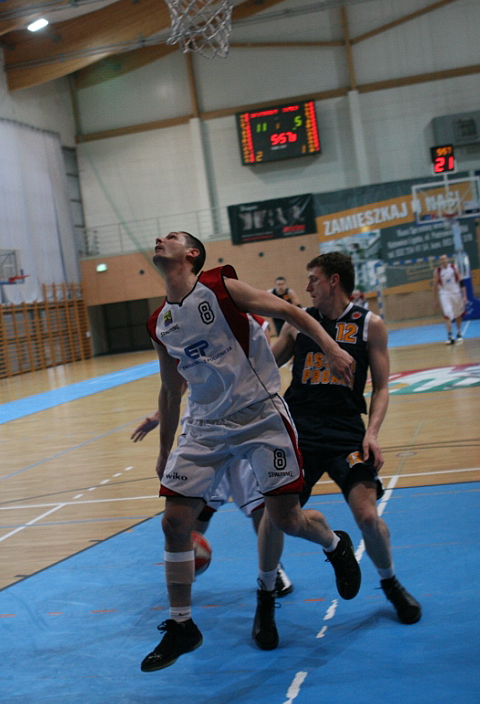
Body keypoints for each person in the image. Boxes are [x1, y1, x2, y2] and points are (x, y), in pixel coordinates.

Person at [140, 231, 361, 672]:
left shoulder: (220, 286)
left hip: (259, 415)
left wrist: (332, 347)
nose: (161, 239)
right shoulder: (160, 322)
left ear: (192, 254)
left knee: (286, 519)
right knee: (174, 522)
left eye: (173, 237)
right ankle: (181, 625)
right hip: (205, 426)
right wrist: (164, 450)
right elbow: (169, 389)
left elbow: (289, 311)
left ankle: (334, 543)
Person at [269, 251, 421, 626]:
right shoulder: (298, 322)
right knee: (276, 517)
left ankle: (390, 583)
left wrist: (373, 433)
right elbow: (264, 366)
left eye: (314, 278)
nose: (307, 286)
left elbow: (382, 388)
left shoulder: (370, 324)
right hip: (302, 433)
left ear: (334, 281)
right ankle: (270, 586)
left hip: (346, 433)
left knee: (368, 516)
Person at [131, 315, 293, 598]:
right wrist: (159, 416)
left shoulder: (246, 316)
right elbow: (178, 381)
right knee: (192, 508)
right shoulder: (180, 322)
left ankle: (272, 569)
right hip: (204, 428)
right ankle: (186, 564)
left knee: (260, 504)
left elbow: (267, 359)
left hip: (244, 420)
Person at [433, 254, 467, 344]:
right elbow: (435, 286)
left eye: (444, 259)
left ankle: (459, 333)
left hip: (456, 292)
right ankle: (450, 335)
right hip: (444, 294)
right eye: (441, 259)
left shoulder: (454, 268)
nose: (443, 260)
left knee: (457, 314)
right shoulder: (437, 271)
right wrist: (435, 300)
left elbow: (461, 281)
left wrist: (464, 296)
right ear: (440, 261)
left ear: (447, 259)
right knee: (447, 313)